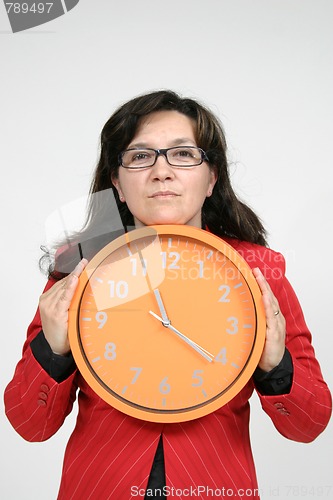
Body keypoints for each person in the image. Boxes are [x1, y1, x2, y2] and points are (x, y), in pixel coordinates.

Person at [4, 90, 332, 499]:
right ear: (117, 184)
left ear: (212, 178)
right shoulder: (82, 270)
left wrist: (274, 364)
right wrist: (52, 348)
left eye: (182, 154)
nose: (161, 171)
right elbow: (29, 425)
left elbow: (308, 425)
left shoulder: (259, 272)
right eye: (140, 157)